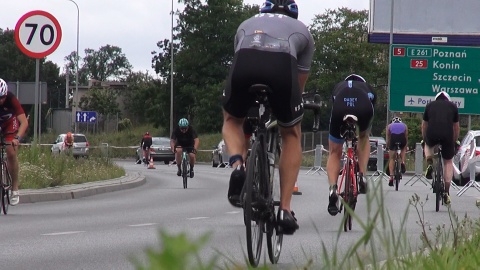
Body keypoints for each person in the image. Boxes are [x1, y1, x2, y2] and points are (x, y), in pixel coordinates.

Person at [222, 0, 315, 235]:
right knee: (291, 133)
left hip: (246, 61)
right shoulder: (303, 30)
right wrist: (287, 110)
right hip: (282, 67)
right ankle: (285, 209)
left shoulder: (246, 24)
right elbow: (299, 86)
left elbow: (238, 63)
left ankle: (237, 165)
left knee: (232, 120)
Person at [326, 74, 376, 216]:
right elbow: (371, 113)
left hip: (340, 106)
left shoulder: (338, 86)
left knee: (334, 152)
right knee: (364, 137)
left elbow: (334, 106)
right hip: (363, 107)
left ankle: (333, 189)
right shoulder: (368, 89)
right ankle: (362, 175)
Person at [422, 91, 459, 205]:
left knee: (428, 145)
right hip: (447, 135)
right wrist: (454, 141)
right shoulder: (453, 106)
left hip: (432, 133)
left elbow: (424, 125)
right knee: (448, 162)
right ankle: (446, 192)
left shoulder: (430, 105)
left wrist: (425, 138)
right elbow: (456, 127)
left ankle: (429, 161)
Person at [0, 78, 29, 206]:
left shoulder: (11, 99)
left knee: (11, 152)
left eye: (2, 98)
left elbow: (24, 122)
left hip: (9, 123)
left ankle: (15, 188)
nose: (0, 101)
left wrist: (17, 138)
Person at [386, 116, 408, 186]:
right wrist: (406, 146)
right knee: (403, 148)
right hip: (402, 138)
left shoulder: (389, 126)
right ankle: (402, 162)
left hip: (393, 138)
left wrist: (387, 146)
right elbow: (406, 137)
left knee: (392, 158)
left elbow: (388, 138)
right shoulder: (405, 125)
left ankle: (391, 177)